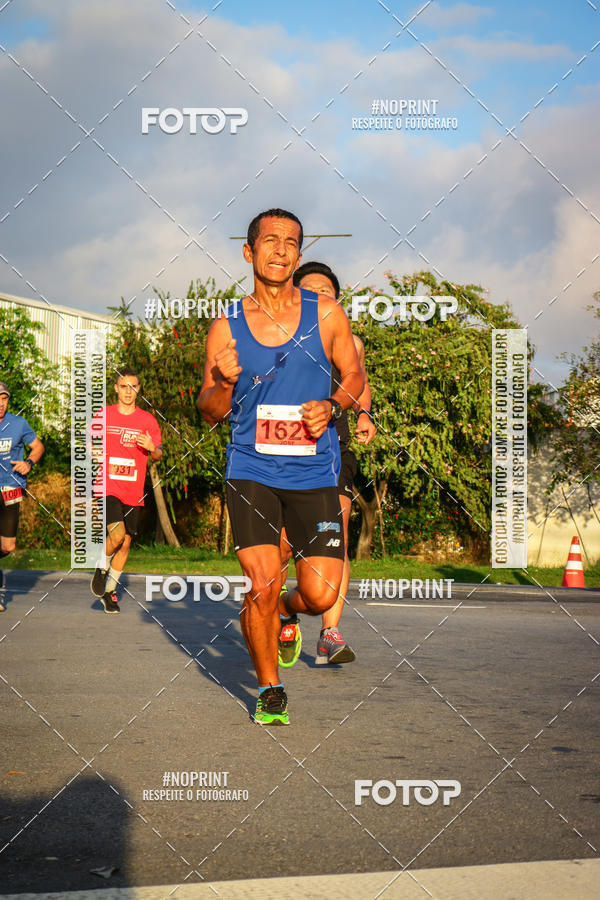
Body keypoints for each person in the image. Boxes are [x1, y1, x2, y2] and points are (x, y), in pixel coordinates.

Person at [198, 208, 364, 725]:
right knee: (263, 585)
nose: (280, 250)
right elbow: (208, 411)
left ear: (298, 251)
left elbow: (354, 372)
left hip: (314, 471)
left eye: (290, 242)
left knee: (318, 593)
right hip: (252, 470)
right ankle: (270, 686)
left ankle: (291, 614)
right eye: (269, 241)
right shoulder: (225, 326)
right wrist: (223, 383)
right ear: (249, 252)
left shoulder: (328, 314)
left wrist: (334, 406)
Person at [277, 261, 377, 664]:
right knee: (283, 542)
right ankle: (285, 609)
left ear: (336, 299)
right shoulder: (276, 333)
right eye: (310, 290)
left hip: (335, 442)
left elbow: (360, 383)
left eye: (326, 291)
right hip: (286, 443)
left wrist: (365, 414)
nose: (319, 297)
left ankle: (330, 634)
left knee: (338, 526)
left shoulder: (350, 342)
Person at [89, 369, 162, 614]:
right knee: (117, 535)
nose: (128, 391)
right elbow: (90, 441)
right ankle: (101, 566)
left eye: (133, 386)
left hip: (134, 488)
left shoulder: (148, 420)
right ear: (116, 389)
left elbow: (158, 455)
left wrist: (153, 448)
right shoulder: (104, 414)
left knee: (126, 543)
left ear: (138, 389)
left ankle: (109, 591)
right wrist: (93, 451)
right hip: (109, 485)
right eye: (124, 386)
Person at [0, 382, 45, 611]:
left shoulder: (18, 424)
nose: (0, 404)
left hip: (11, 487)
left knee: (8, 546)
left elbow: (38, 447)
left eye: (4, 399)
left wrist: (28, 463)